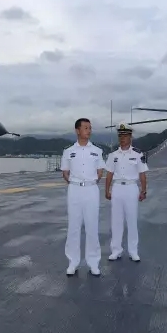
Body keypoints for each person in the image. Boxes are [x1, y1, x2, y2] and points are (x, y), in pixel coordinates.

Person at [61, 118, 106, 276]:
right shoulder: (68, 151)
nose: (89, 130)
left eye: (90, 128)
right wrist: (75, 183)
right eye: (86, 128)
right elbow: (65, 173)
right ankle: (73, 262)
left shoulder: (97, 151)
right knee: (74, 227)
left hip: (91, 190)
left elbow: (100, 172)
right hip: (74, 190)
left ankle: (93, 262)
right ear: (77, 130)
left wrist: (90, 182)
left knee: (92, 226)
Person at [104, 121, 148, 262]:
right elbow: (109, 174)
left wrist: (143, 190)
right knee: (116, 221)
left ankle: (133, 251)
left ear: (130, 137)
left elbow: (142, 173)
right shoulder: (113, 155)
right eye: (120, 136)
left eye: (125, 136)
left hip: (131, 188)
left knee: (131, 220)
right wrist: (107, 190)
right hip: (117, 188)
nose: (122, 138)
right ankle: (116, 250)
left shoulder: (138, 154)